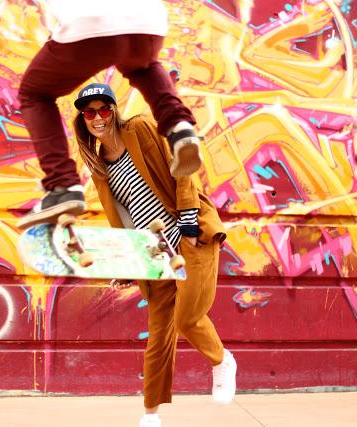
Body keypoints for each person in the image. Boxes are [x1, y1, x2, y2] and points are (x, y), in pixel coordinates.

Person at [71, 84, 237, 427]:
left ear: (114, 110)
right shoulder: (101, 166)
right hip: (155, 253)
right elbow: (125, 214)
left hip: (191, 238)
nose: (98, 118)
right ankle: (150, 415)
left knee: (188, 319)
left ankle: (222, 361)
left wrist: (189, 220)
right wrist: (129, 261)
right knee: (159, 337)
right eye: (90, 112)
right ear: (83, 119)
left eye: (104, 109)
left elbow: (182, 168)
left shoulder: (140, 129)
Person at [16, 0, 204, 229]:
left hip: (92, 24)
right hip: (148, 23)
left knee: (35, 94)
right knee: (143, 66)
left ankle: (62, 185)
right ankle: (179, 127)